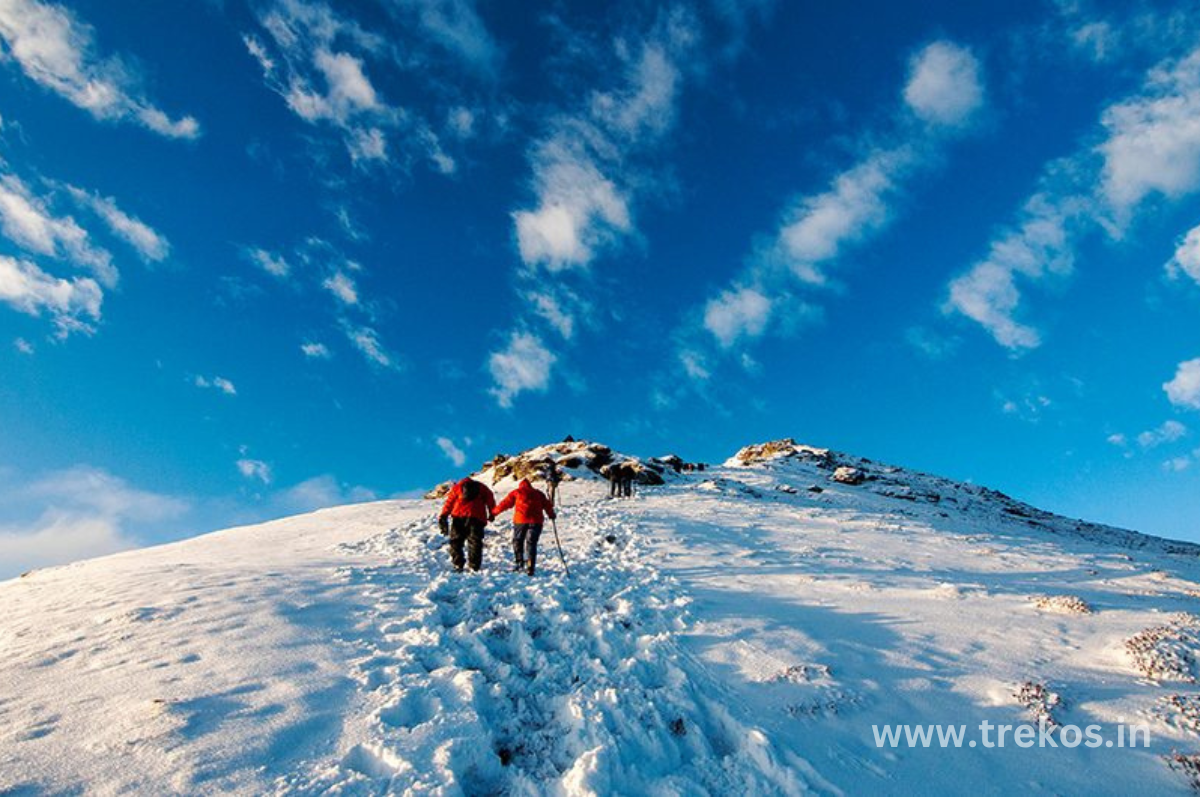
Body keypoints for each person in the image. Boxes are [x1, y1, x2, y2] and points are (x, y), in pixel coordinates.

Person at [493, 478, 556, 575]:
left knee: (518, 540)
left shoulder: (517, 492)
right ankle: (530, 566)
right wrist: (551, 515)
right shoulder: (538, 493)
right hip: (536, 521)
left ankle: (519, 563)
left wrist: (493, 513)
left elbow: (505, 504)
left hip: (520, 521)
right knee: (531, 543)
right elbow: (547, 505)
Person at [439, 476, 496, 572]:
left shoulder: (457, 487)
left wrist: (444, 515)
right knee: (475, 542)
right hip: (477, 517)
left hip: (459, 517)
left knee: (456, 542)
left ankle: (458, 564)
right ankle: (474, 565)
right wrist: (492, 513)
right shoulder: (482, 487)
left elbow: (449, 502)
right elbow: (490, 499)